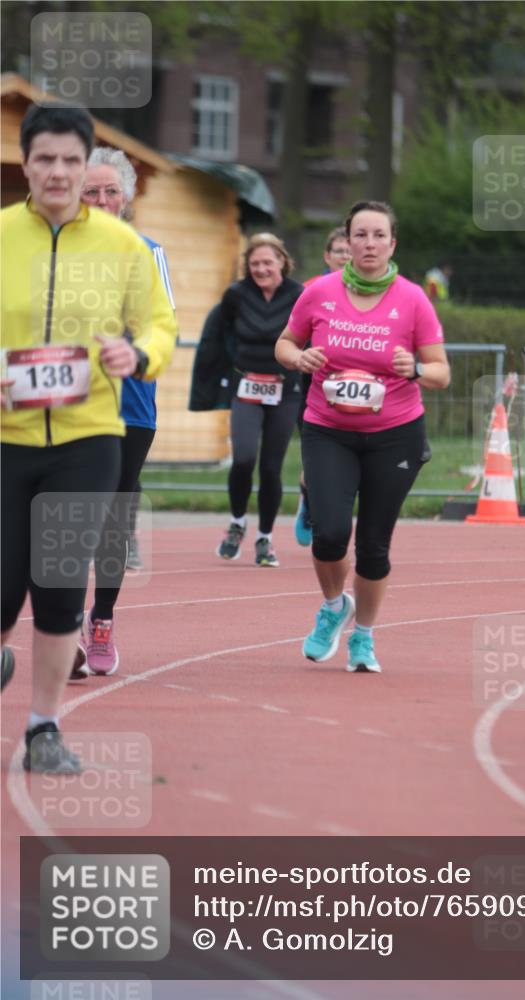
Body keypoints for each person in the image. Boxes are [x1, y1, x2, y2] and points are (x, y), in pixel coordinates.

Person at [0, 103, 177, 771]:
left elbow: (160, 324)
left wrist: (140, 354)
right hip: (7, 437)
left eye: (70, 160)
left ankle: (43, 729)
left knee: (59, 582)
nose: (58, 172)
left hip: (88, 437)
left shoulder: (123, 246)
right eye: (45, 158)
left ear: (85, 166)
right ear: (25, 163)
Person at [276, 200, 450, 673]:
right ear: (347, 242)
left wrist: (415, 369)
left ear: (392, 244)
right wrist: (299, 358)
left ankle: (364, 638)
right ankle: (334, 606)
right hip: (328, 431)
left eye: (378, 236)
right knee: (329, 533)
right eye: (360, 235)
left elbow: (441, 372)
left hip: (395, 435)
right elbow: (285, 342)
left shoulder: (413, 299)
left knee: (374, 545)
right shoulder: (319, 292)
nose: (369, 244)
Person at [72, 146, 176, 678]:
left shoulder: (148, 252)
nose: (101, 199)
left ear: (127, 197)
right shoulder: (57, 251)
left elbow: (163, 325)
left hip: (131, 406)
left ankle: (103, 618)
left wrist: (130, 346)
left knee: (114, 516)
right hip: (68, 402)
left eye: (111, 191)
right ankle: (65, 623)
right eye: (91, 191)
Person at [192, 234, 303, 567]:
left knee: (270, 467)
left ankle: (265, 538)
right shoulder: (237, 295)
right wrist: (217, 377)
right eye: (254, 263)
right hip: (247, 387)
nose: (261, 269)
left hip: (285, 389)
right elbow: (218, 334)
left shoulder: (299, 295)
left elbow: (313, 333)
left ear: (282, 261)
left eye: (267, 262)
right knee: (243, 458)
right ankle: (237, 523)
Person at [295, 227, 351, 546]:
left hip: (355, 383)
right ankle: (310, 499)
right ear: (327, 256)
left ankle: (331, 513)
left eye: (349, 251)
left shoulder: (370, 291)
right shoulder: (310, 289)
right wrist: (303, 355)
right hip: (313, 385)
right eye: (339, 251)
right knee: (318, 461)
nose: (345, 257)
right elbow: (290, 333)